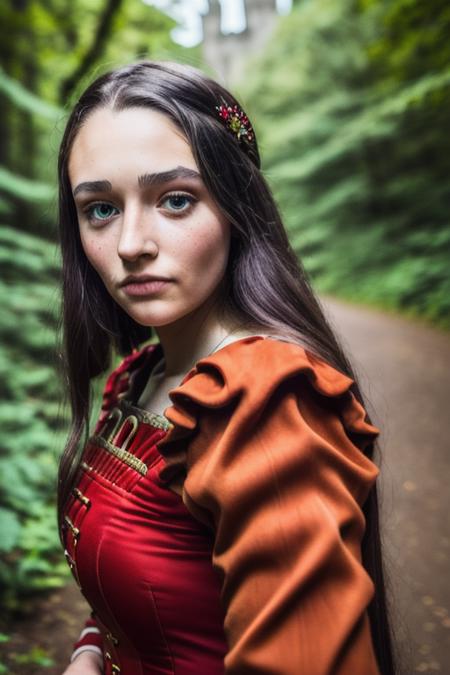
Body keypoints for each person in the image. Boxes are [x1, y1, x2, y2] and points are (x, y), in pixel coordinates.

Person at [57, 60, 394, 675]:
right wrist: (89, 650)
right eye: (100, 209)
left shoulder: (263, 404)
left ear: (235, 207)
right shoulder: (141, 377)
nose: (131, 243)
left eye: (176, 200)